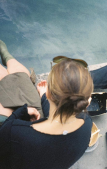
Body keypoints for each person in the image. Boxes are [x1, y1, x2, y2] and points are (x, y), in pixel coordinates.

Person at [0, 41, 93, 169]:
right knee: (20, 78)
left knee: (9, 80)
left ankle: (7, 58)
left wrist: (20, 112)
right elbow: (57, 119)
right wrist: (43, 96)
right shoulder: (86, 123)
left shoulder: (15, 131)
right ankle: (6, 56)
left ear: (49, 92)